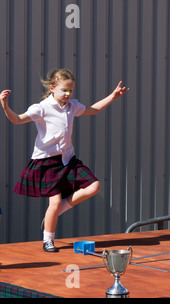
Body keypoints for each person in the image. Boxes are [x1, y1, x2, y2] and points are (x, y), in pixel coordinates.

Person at [0, 69, 129, 252]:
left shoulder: (72, 106)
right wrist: (5, 104)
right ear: (52, 88)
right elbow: (17, 119)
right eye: (64, 90)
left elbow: (93, 109)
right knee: (53, 202)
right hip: (47, 162)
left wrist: (113, 96)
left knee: (94, 187)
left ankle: (58, 210)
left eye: (71, 91)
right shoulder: (42, 108)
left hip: (68, 159)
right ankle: (48, 240)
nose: (68, 94)